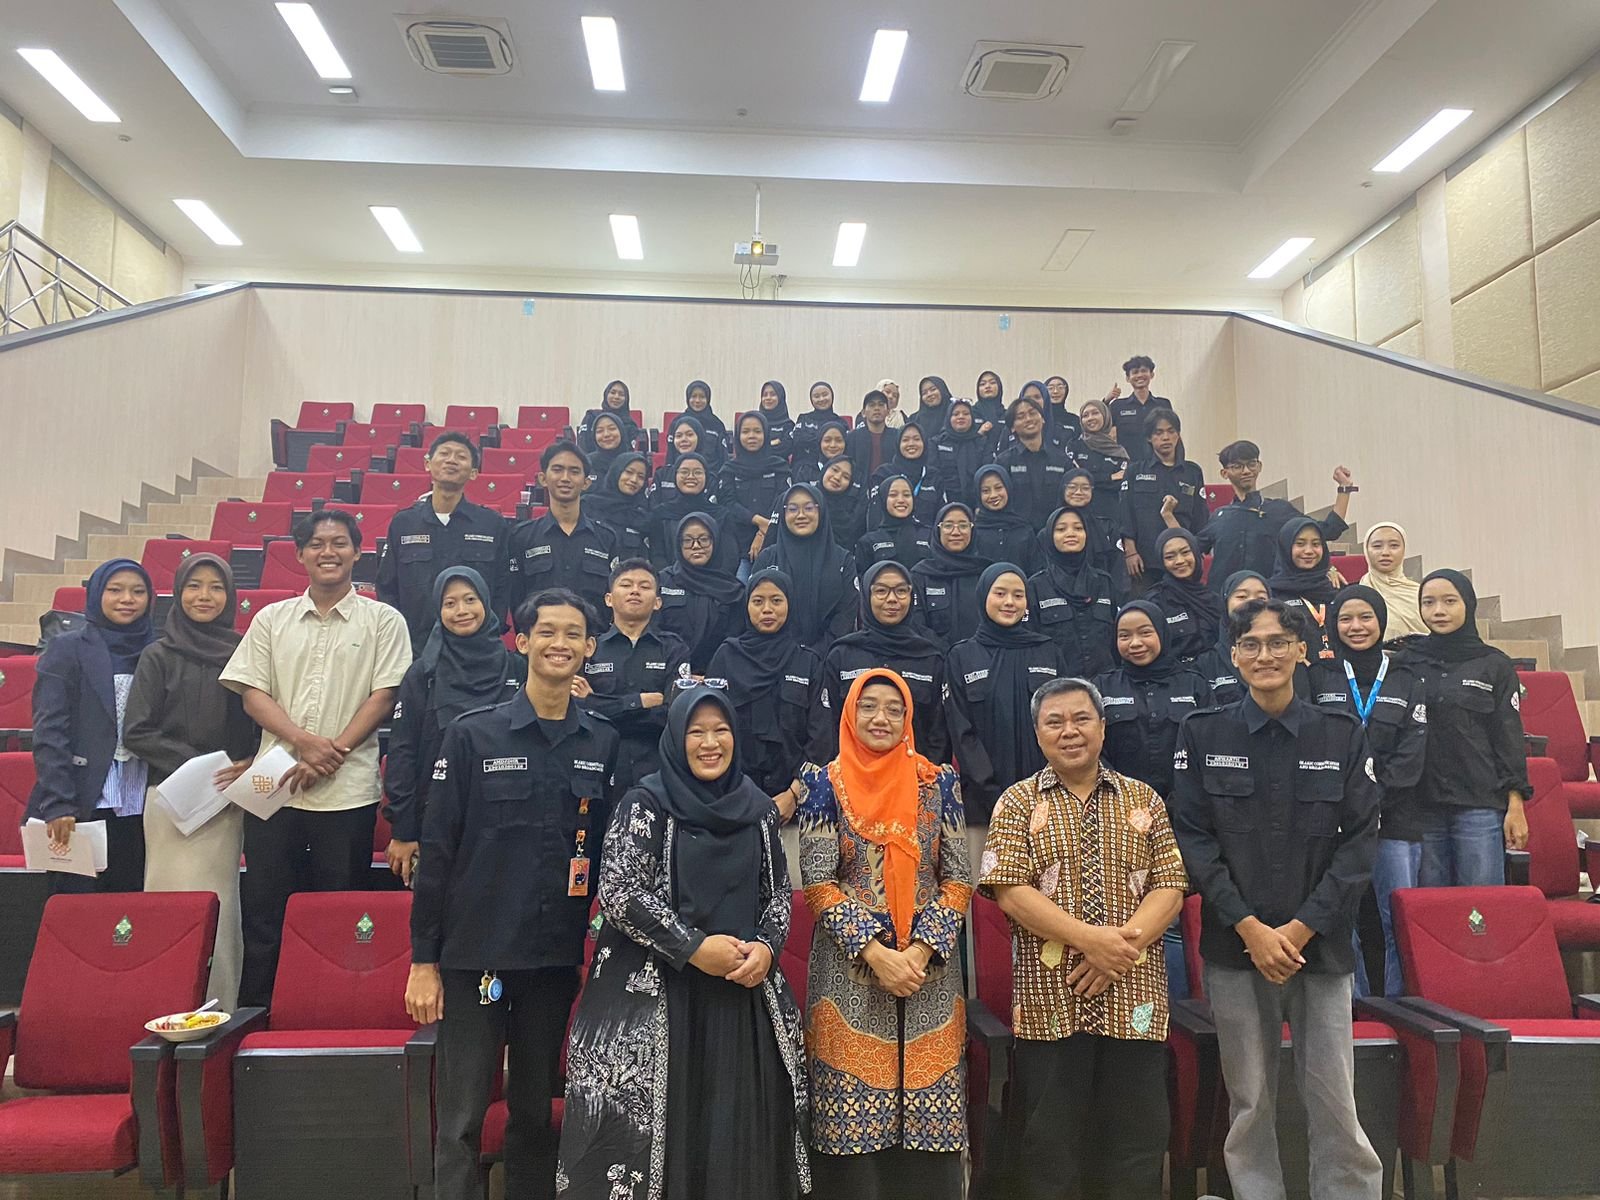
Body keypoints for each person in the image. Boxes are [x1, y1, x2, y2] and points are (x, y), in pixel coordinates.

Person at [406, 588, 620, 1200]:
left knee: (533, 1114)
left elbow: (604, 854)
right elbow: (438, 855)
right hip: (475, 956)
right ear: (521, 643)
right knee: (463, 1120)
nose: (560, 643)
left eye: (573, 633)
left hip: (552, 961)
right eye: (546, 631)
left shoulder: (599, 744)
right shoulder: (473, 736)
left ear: (588, 649)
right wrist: (425, 961)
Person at [557, 685, 807, 1200]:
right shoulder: (645, 805)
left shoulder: (758, 811)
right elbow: (620, 891)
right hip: (658, 999)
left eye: (721, 731)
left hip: (739, 1002)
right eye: (697, 731)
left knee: (733, 1138)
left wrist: (765, 947)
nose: (710, 743)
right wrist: (694, 947)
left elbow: (778, 892)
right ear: (675, 738)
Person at [1171, 598, 1383, 1200]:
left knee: (1334, 1097)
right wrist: (1250, 929)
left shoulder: (1340, 733)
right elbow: (1194, 840)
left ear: (1299, 650)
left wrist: (1299, 930)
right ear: (1234, 657)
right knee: (1251, 1101)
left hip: (1321, 951)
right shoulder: (1202, 732)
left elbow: (1361, 843)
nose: (1264, 654)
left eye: (1277, 642)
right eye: (1251, 645)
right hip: (1238, 951)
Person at [980, 677, 1187, 1200]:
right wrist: (1091, 941)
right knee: (1051, 1148)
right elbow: (1009, 891)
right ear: (1037, 732)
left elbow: (1171, 887)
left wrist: (1120, 950)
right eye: (1055, 722)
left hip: (1134, 1001)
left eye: (1081, 719)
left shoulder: (1145, 799)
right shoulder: (1017, 802)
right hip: (1050, 1006)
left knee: (1136, 1145)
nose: (1069, 731)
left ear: (1102, 725)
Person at [223, 510, 412, 1007]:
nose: (328, 552)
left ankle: (329, 1009)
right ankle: (256, 1015)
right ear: (301, 554)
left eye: (339, 543)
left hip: (346, 789)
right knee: (265, 909)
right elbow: (251, 693)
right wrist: (304, 743)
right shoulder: (271, 619)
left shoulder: (383, 620)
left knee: (338, 911)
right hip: (270, 782)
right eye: (317, 544)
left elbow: (385, 695)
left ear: (357, 552)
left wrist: (332, 754)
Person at [799, 670, 971, 1197]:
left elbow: (959, 877)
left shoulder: (938, 783)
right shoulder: (823, 783)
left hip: (930, 978)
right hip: (849, 978)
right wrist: (875, 953)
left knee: (931, 1124)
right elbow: (818, 882)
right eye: (869, 707)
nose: (881, 718)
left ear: (908, 719)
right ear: (850, 714)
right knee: (852, 1128)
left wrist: (918, 952)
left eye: (894, 709)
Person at [124, 555, 257, 1006]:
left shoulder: (246, 652)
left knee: (219, 908)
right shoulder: (157, 655)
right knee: (166, 909)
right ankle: (163, 1009)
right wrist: (200, 765)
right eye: (194, 586)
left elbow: (258, 725)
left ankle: (219, 1012)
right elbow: (137, 731)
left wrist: (248, 762)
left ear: (230, 597)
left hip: (224, 800)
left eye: (216, 587)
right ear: (178, 594)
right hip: (169, 800)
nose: (205, 596)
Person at [1310, 585, 1429, 998]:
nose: (1356, 627)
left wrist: (1372, 801)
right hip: (1335, 820)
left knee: (1399, 919)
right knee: (1343, 919)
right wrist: (1348, 805)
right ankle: (1353, 1006)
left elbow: (1412, 751)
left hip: (1394, 818)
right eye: (1346, 618)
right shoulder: (1316, 676)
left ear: (1381, 621)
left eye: (1365, 617)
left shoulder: (1405, 678)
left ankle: (1403, 1007)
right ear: (1333, 626)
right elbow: (1311, 747)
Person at [381, 567, 524, 887]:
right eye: (450, 603)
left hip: (506, 818)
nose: (461, 611)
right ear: (438, 610)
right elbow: (402, 753)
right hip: (436, 818)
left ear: (486, 603)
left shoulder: (517, 668)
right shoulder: (423, 674)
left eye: (470, 599)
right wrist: (403, 831)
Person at [1392, 570, 1530, 886]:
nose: (1438, 610)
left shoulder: (1494, 664)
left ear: (1468, 603)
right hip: (1421, 804)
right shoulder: (1406, 661)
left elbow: (1507, 736)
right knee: (1431, 909)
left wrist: (1515, 804)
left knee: (1480, 911)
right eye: (1428, 602)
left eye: (1449, 601)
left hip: (1478, 804)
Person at [28, 557, 157, 894]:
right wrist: (58, 802)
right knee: (79, 910)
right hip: (80, 803)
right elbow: (50, 731)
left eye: (137, 591)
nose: (127, 599)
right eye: (115, 590)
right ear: (97, 593)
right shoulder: (67, 649)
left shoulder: (157, 650)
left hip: (144, 804)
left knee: (130, 910)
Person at [946, 564, 1070, 823]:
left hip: (1048, 800)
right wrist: (992, 792)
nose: (1009, 602)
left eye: (1018, 595)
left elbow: (1065, 720)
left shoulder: (1048, 651)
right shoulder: (962, 656)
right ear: (983, 597)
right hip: (983, 805)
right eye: (1000, 594)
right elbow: (962, 732)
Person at [708, 569, 830, 818]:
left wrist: (795, 794)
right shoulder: (725, 657)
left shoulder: (807, 662)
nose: (767, 609)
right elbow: (710, 725)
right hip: (731, 799)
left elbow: (821, 738)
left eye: (776, 600)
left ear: (790, 604)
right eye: (757, 601)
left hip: (794, 804)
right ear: (746, 606)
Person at [377, 431, 511, 653]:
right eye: (445, 454)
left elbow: (502, 587)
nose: (451, 460)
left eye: (461, 456)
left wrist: (488, 632)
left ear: (474, 473)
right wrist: (398, 637)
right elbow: (387, 587)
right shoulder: (404, 523)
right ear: (428, 464)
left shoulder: (491, 524)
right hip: (415, 647)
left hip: (476, 648)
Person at [576, 560, 690, 792]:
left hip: (658, 769)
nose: (635, 591)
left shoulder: (674, 649)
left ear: (658, 602)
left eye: (645, 586)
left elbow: (674, 715)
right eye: (626, 585)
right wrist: (639, 702)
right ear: (608, 599)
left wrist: (599, 703)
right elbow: (579, 711)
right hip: (598, 767)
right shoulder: (588, 648)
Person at [822, 561, 951, 764]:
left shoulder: (930, 657)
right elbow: (829, 727)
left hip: (913, 778)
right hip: (853, 776)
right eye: (881, 591)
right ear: (866, 595)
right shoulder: (842, 655)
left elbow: (938, 733)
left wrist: (926, 779)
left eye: (901, 591)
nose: (892, 599)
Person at [1194, 441, 1355, 589]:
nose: (1246, 471)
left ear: (1259, 466)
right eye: (1237, 466)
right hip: (1224, 603)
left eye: (1251, 464)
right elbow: (1191, 548)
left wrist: (1344, 489)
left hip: (1270, 598)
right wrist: (1168, 518)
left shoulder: (1280, 510)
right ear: (1224, 473)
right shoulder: (1219, 517)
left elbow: (1329, 530)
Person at [1093, 601, 1210, 801]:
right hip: (1119, 803)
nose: (1135, 643)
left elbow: (1209, 743)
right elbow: (1094, 750)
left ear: (1162, 633)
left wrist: (1182, 799)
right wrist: (1123, 795)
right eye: (1124, 636)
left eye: (1145, 633)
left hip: (1185, 804)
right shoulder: (1102, 687)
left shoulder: (1193, 684)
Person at [506, 441, 617, 622]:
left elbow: (613, 599)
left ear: (586, 482)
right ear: (543, 478)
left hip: (591, 644)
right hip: (540, 642)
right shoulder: (522, 537)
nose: (565, 478)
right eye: (557, 469)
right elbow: (516, 598)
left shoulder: (606, 538)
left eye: (574, 471)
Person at [752, 483, 857, 655]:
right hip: (775, 655)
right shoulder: (767, 558)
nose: (801, 515)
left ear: (821, 512)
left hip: (829, 657)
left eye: (809, 508)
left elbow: (845, 616)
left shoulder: (843, 560)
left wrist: (815, 655)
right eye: (792, 509)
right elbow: (757, 612)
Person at [1120, 409, 1207, 589]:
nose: (1166, 437)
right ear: (1149, 438)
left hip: (1182, 560)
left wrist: (1196, 554)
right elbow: (1125, 514)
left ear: (1178, 435)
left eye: (1171, 431)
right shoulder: (1135, 471)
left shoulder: (1193, 472)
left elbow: (1200, 517)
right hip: (1145, 561)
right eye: (1159, 433)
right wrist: (1130, 552)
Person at [1028, 507, 1116, 677]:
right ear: (1049, 537)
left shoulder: (1105, 582)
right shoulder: (1036, 586)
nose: (1071, 533)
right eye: (1061, 529)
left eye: (1078, 528)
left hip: (1104, 685)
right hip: (1059, 688)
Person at [657, 514, 745, 671]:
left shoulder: (733, 589)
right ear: (678, 544)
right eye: (688, 540)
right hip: (669, 673)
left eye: (703, 539)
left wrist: (712, 675)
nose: (696, 546)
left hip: (716, 678)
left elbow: (735, 641)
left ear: (715, 542)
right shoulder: (663, 581)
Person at [911, 502, 993, 646]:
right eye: (948, 525)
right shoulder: (920, 575)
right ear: (938, 530)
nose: (956, 532)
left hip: (981, 659)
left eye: (963, 525)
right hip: (935, 659)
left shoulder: (988, 574)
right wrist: (947, 653)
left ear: (973, 530)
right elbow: (916, 624)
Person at [1193, 570, 1274, 705]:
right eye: (1242, 596)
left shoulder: (1285, 653)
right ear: (1226, 603)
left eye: (1261, 598)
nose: (1251, 603)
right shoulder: (1207, 663)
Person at [1267, 515, 1339, 662]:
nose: (1309, 551)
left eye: (1316, 544)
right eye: (1300, 544)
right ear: (1286, 547)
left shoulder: (1334, 588)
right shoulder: (1272, 595)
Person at [994, 397, 1076, 525]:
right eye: (1020, 416)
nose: (1028, 419)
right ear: (1012, 428)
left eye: (1032, 413)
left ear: (1043, 419)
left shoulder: (1062, 461)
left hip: (1053, 535)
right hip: (1017, 533)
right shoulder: (1003, 462)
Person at [719, 412, 788, 560]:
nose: (752, 436)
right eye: (745, 431)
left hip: (776, 540)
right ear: (737, 436)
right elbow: (728, 504)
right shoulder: (728, 469)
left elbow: (783, 500)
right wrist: (758, 521)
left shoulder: (780, 466)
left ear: (766, 434)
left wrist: (763, 532)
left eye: (757, 431)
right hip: (738, 542)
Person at [1146, 528, 1222, 661]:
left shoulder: (1214, 600)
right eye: (1170, 557)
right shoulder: (1155, 602)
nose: (1179, 561)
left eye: (1185, 552)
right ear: (1161, 562)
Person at [1063, 468, 1132, 599]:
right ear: (1063, 489)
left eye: (1085, 488)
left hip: (1102, 598)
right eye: (1072, 487)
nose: (1078, 492)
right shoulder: (1052, 529)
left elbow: (1118, 570)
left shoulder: (1107, 527)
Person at [973, 464, 1044, 576]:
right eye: (986, 491)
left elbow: (1036, 571)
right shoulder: (973, 531)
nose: (993, 495)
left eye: (998, 488)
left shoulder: (1024, 529)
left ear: (1008, 488)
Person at [855, 475, 933, 575]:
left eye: (906, 495)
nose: (901, 500)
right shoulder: (869, 542)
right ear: (883, 499)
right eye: (893, 495)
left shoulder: (929, 536)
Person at [1361, 521, 1427, 638]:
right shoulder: (1359, 594)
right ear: (1366, 550)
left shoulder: (1420, 594)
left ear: (1404, 549)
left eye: (1394, 546)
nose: (1385, 552)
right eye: (1377, 546)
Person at [870, 423, 943, 525]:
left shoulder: (933, 476)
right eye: (905, 440)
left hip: (926, 538)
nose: (911, 443)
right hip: (889, 538)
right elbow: (875, 514)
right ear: (898, 444)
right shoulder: (883, 474)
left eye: (917, 439)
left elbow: (941, 516)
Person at [583, 451, 651, 562]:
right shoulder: (588, 505)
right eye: (629, 472)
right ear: (616, 472)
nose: (634, 480)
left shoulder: (642, 516)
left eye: (641, 476)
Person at [1067, 398, 1128, 507]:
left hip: (1110, 514)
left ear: (1105, 416)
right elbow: (1074, 478)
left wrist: (1091, 478)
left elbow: (1121, 482)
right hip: (1080, 512)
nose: (1090, 418)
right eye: (1085, 415)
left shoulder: (1119, 451)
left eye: (1095, 413)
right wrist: (1110, 477)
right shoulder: (1074, 446)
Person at [932, 397, 991, 508]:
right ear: (949, 417)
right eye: (956, 414)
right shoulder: (937, 443)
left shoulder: (982, 442)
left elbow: (986, 474)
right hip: (945, 503)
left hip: (977, 504)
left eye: (966, 413)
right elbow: (934, 474)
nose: (961, 417)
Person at [1104, 355, 1173, 449]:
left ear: (1152, 374)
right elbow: (1098, 425)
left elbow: (1173, 434)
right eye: (1135, 372)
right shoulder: (1118, 406)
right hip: (1129, 462)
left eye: (1144, 371)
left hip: (1158, 461)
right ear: (1128, 378)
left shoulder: (1163, 404)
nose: (1140, 375)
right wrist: (1106, 400)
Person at [819, 454, 867, 551]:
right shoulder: (808, 502)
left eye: (846, 477)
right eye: (835, 470)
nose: (837, 477)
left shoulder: (851, 517)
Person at [846, 389, 897, 479]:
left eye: (881, 404)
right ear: (863, 413)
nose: (876, 408)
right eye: (871, 405)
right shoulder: (852, 437)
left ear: (888, 411)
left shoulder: (897, 436)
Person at [792, 379, 844, 465]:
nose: (821, 399)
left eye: (825, 395)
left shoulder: (840, 422)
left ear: (832, 396)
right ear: (811, 399)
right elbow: (798, 440)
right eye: (816, 396)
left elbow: (843, 446)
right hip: (804, 469)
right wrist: (824, 440)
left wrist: (811, 440)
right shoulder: (804, 418)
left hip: (832, 468)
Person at [580, 378, 641, 450]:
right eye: (613, 392)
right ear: (606, 395)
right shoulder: (591, 417)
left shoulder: (631, 425)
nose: (616, 397)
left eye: (621, 394)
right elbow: (583, 445)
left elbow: (631, 451)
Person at [580, 410, 630, 485]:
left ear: (621, 431)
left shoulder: (632, 463)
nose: (606, 434)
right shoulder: (586, 463)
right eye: (600, 431)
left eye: (612, 429)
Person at [793, 419, 849, 486]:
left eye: (839, 441)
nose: (833, 445)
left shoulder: (851, 471)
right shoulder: (806, 471)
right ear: (819, 443)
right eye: (827, 440)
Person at [757, 379, 795, 459]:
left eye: (773, 394)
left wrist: (761, 446)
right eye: (765, 395)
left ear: (781, 397)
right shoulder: (755, 422)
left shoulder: (788, 425)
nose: (768, 398)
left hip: (779, 468)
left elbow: (785, 449)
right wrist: (773, 443)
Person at [683, 378, 728, 443]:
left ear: (708, 399)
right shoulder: (678, 422)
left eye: (702, 397)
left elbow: (722, 451)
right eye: (693, 396)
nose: (697, 400)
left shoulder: (717, 424)